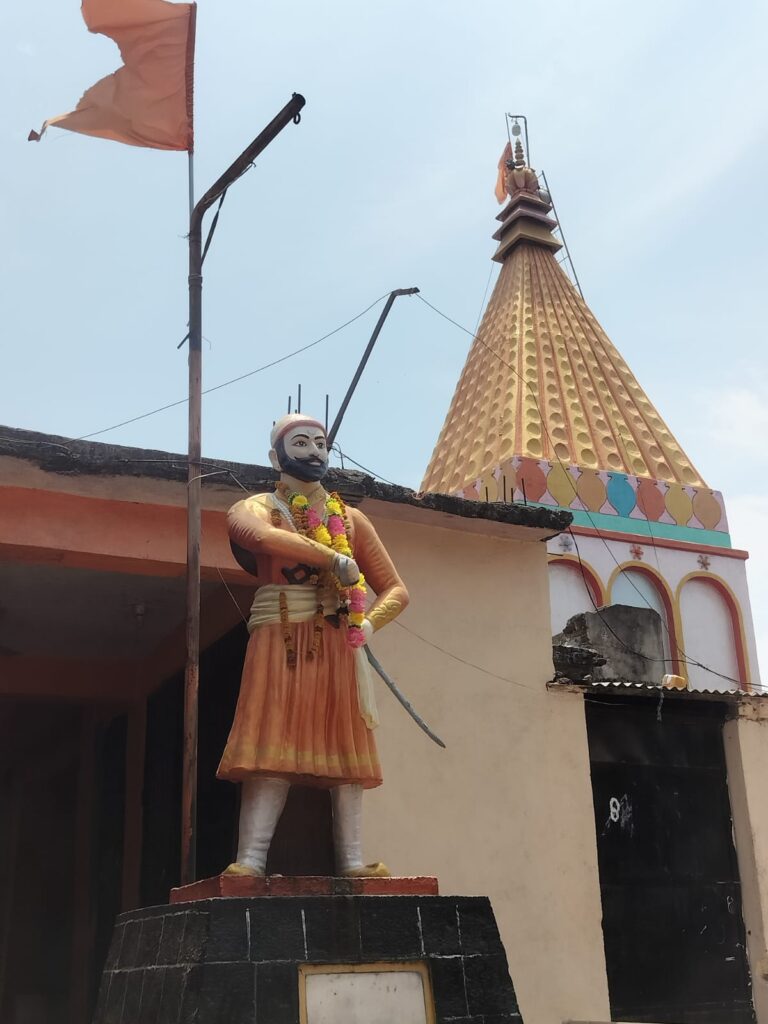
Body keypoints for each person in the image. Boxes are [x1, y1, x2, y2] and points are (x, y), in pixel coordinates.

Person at [217, 413, 409, 878]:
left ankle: (352, 861)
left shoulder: (351, 519)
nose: (313, 451)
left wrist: (369, 625)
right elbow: (258, 536)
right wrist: (331, 558)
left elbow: (397, 590)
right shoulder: (257, 507)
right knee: (270, 743)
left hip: (337, 643)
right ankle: (251, 860)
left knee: (346, 750)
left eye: (321, 443)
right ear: (275, 456)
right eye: (300, 442)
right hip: (279, 635)